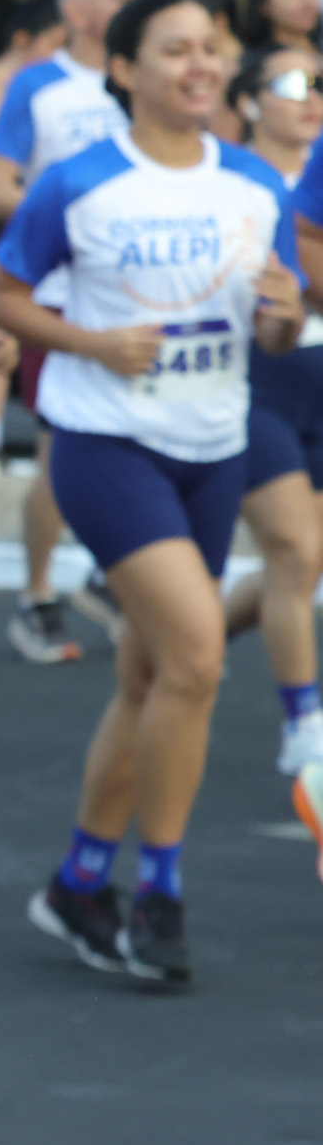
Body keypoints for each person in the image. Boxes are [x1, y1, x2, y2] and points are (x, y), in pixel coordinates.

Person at [0, 0, 306, 981]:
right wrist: (90, 341)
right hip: (104, 443)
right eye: (177, 50)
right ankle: (157, 895)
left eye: (212, 48)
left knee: (149, 676)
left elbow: (275, 324)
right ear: (125, 70)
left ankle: (80, 878)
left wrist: (286, 316)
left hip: (211, 444)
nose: (202, 65)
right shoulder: (79, 183)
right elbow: (1, 300)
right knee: (199, 657)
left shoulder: (255, 182)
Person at [0, 0, 149, 664]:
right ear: (80, 15)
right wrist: (80, 218)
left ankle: (113, 579)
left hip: (136, 297)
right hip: (55, 299)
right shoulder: (36, 88)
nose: (141, 5)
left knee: (140, 442)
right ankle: (37, 595)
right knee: (59, 452)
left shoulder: (147, 87)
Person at [222, 42, 323, 781]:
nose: (310, 95)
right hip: (258, 377)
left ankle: (186, 633)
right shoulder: (222, 176)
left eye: (320, 81)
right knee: (295, 553)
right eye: (292, 82)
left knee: (308, 558)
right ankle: (304, 723)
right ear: (251, 99)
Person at [0, 0, 70, 469]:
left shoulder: (47, 88)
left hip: (36, 216)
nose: (57, 55)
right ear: (22, 40)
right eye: (51, 44)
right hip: (1, 221)